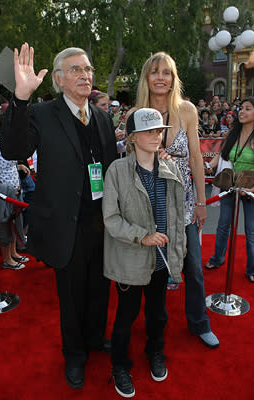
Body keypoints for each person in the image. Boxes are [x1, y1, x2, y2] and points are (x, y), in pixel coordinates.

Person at [0, 43, 117, 389]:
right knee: (72, 296)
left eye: (89, 70)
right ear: (60, 78)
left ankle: (96, 338)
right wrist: (21, 99)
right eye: (77, 70)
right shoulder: (42, 113)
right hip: (66, 226)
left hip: (102, 222)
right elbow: (14, 149)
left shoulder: (102, 117)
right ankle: (75, 355)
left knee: (100, 288)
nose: (86, 75)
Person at [135, 51, 219, 348]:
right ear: (147, 77)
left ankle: (199, 323)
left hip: (183, 205)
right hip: (151, 205)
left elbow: (196, 158)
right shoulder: (138, 112)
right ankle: (154, 326)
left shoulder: (187, 110)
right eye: (155, 71)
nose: (161, 77)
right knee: (152, 271)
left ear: (173, 79)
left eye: (166, 72)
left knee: (194, 268)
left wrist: (200, 202)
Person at [103, 108, 186, 397]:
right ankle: (120, 365)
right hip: (130, 258)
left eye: (159, 130)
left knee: (157, 314)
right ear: (133, 137)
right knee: (126, 316)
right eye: (149, 131)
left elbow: (177, 215)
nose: (156, 135)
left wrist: (178, 252)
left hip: (161, 261)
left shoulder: (170, 167)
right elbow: (111, 218)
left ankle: (155, 352)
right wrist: (143, 237)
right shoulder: (116, 170)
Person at [204, 97, 254, 283]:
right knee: (223, 225)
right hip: (230, 185)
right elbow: (221, 154)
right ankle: (217, 258)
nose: (242, 112)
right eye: (241, 108)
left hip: (251, 188)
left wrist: (251, 188)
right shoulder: (233, 133)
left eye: (248, 109)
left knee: (251, 231)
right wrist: (210, 165)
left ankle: (252, 268)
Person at [0, 114, 29, 269]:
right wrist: (2, 190)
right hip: (5, 194)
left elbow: (5, 166)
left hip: (15, 191)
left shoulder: (8, 145)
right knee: (5, 226)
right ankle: (7, 259)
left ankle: (13, 253)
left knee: (15, 223)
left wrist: (19, 167)